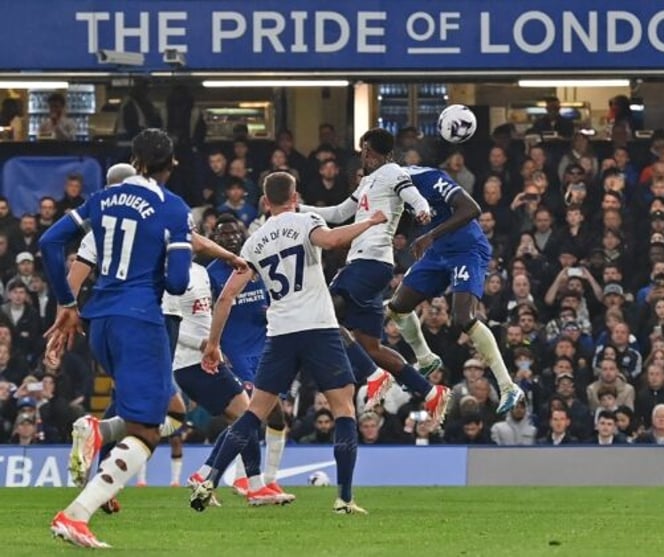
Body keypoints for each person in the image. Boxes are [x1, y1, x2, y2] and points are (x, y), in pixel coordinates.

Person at [189, 171, 386, 514]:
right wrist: (369, 222)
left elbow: (226, 298)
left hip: (280, 333)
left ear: (265, 202)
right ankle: (345, 498)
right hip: (319, 328)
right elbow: (332, 240)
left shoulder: (254, 241)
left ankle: (209, 478)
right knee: (344, 409)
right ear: (295, 196)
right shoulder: (305, 220)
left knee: (254, 413)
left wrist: (212, 344)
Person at [64, 163, 248, 511]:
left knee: (127, 400)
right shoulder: (153, 213)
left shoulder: (96, 230)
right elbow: (188, 247)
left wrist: (68, 312)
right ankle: (98, 448)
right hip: (151, 316)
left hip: (108, 320)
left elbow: (71, 278)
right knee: (169, 413)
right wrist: (229, 256)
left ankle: (101, 472)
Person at [40, 129, 192, 548]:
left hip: (100, 320)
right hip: (140, 319)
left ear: (135, 158)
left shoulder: (103, 199)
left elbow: (50, 241)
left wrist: (67, 302)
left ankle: (100, 432)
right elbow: (178, 283)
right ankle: (77, 513)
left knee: (164, 410)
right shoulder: (173, 208)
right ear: (171, 163)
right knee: (148, 431)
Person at [298, 128, 451, 424]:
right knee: (371, 347)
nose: (361, 155)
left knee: (323, 315)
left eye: (363, 150)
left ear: (369, 150)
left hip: (369, 263)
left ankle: (373, 375)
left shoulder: (393, 172)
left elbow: (413, 196)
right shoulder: (368, 181)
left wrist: (422, 210)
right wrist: (298, 208)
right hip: (370, 266)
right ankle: (431, 393)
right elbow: (340, 212)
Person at [386, 165, 524, 413]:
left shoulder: (428, 178)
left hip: (466, 249)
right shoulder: (389, 190)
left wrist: (431, 235)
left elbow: (471, 208)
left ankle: (507, 385)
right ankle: (426, 358)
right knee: (398, 306)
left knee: (463, 318)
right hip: (438, 251)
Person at [190, 212, 292, 499]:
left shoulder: (257, 266)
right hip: (234, 353)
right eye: (223, 234)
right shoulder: (210, 274)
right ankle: (230, 476)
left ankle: (266, 479)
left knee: (276, 416)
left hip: (265, 349)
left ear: (243, 234)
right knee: (249, 415)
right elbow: (205, 313)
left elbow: (276, 299)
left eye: (234, 233)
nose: (230, 238)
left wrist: (271, 311)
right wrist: (215, 346)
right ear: (215, 239)